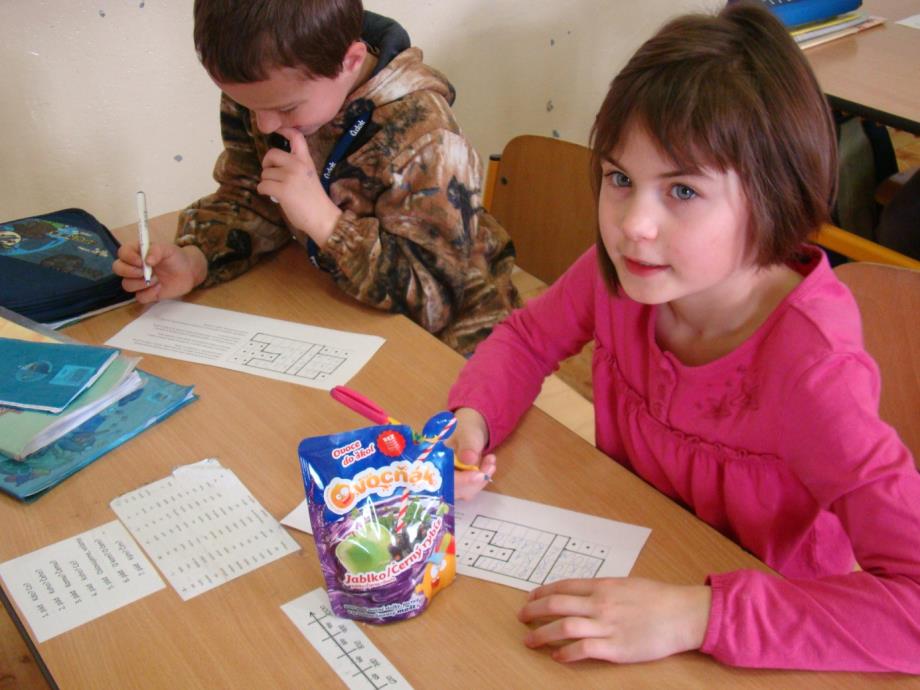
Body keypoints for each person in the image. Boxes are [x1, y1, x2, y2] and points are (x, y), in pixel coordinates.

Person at [447, 3, 920, 674]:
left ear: (774, 196)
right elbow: (526, 340)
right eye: (620, 179)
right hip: (632, 562)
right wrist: (472, 420)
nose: (633, 225)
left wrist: (698, 614)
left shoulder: (814, 369)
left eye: (684, 192)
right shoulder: (624, 277)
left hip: (765, 632)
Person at [113, 0, 518, 356]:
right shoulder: (266, 89)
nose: (264, 122)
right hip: (344, 307)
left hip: (455, 340)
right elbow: (250, 197)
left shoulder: (427, 134)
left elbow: (434, 299)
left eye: (285, 108)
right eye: (246, 105)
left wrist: (325, 223)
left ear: (351, 61)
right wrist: (197, 259)